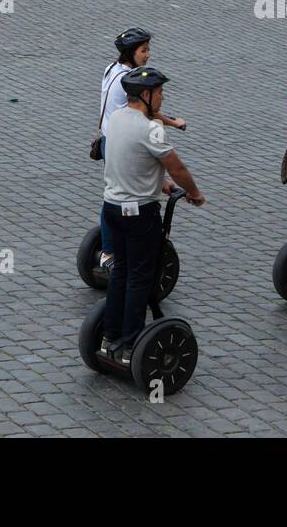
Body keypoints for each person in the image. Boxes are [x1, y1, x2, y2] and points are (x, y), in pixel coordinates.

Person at [97, 66, 205, 366]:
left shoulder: (117, 119)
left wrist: (161, 184)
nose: (162, 97)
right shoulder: (150, 129)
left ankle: (110, 336)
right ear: (145, 95)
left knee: (120, 272)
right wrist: (194, 193)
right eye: (159, 92)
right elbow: (177, 167)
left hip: (112, 209)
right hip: (139, 214)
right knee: (140, 278)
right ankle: (131, 343)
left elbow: (129, 160)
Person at [94, 27, 187, 271]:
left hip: (108, 138)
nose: (148, 55)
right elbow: (145, 111)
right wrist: (173, 122)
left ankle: (109, 247)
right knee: (126, 194)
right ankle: (110, 253)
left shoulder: (111, 69)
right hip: (119, 141)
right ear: (130, 53)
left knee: (113, 191)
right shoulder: (130, 82)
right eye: (143, 50)